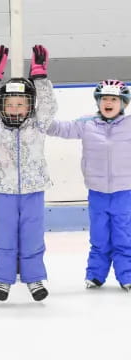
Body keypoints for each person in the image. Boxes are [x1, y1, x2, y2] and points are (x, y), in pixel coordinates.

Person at [0, 45, 57, 301]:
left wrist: (40, 78)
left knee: (32, 236)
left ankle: (34, 279)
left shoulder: (38, 124)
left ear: (30, 106)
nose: (15, 109)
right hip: (5, 191)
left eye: (21, 104)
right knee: (5, 236)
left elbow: (49, 105)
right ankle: (3, 280)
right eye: (9, 104)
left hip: (33, 191)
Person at [47, 79, 131, 291]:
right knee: (99, 235)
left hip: (125, 191)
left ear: (124, 103)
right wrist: (38, 117)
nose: (108, 102)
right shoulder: (87, 124)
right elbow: (59, 128)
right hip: (97, 192)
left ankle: (127, 275)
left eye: (114, 99)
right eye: (104, 98)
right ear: (98, 102)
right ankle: (95, 275)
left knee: (123, 235)